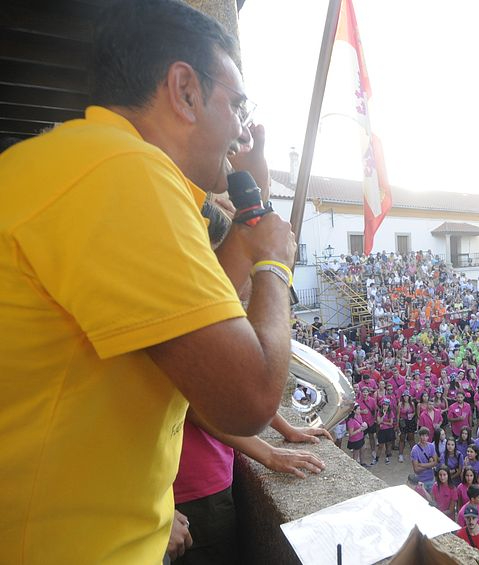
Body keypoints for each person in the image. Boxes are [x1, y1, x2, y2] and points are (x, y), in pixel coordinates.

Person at [0, 1, 299, 562]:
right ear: (184, 89)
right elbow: (247, 396)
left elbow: (202, 317)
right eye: (235, 105)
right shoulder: (123, 174)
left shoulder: (70, 161)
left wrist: (247, 224)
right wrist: (275, 264)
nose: (239, 127)